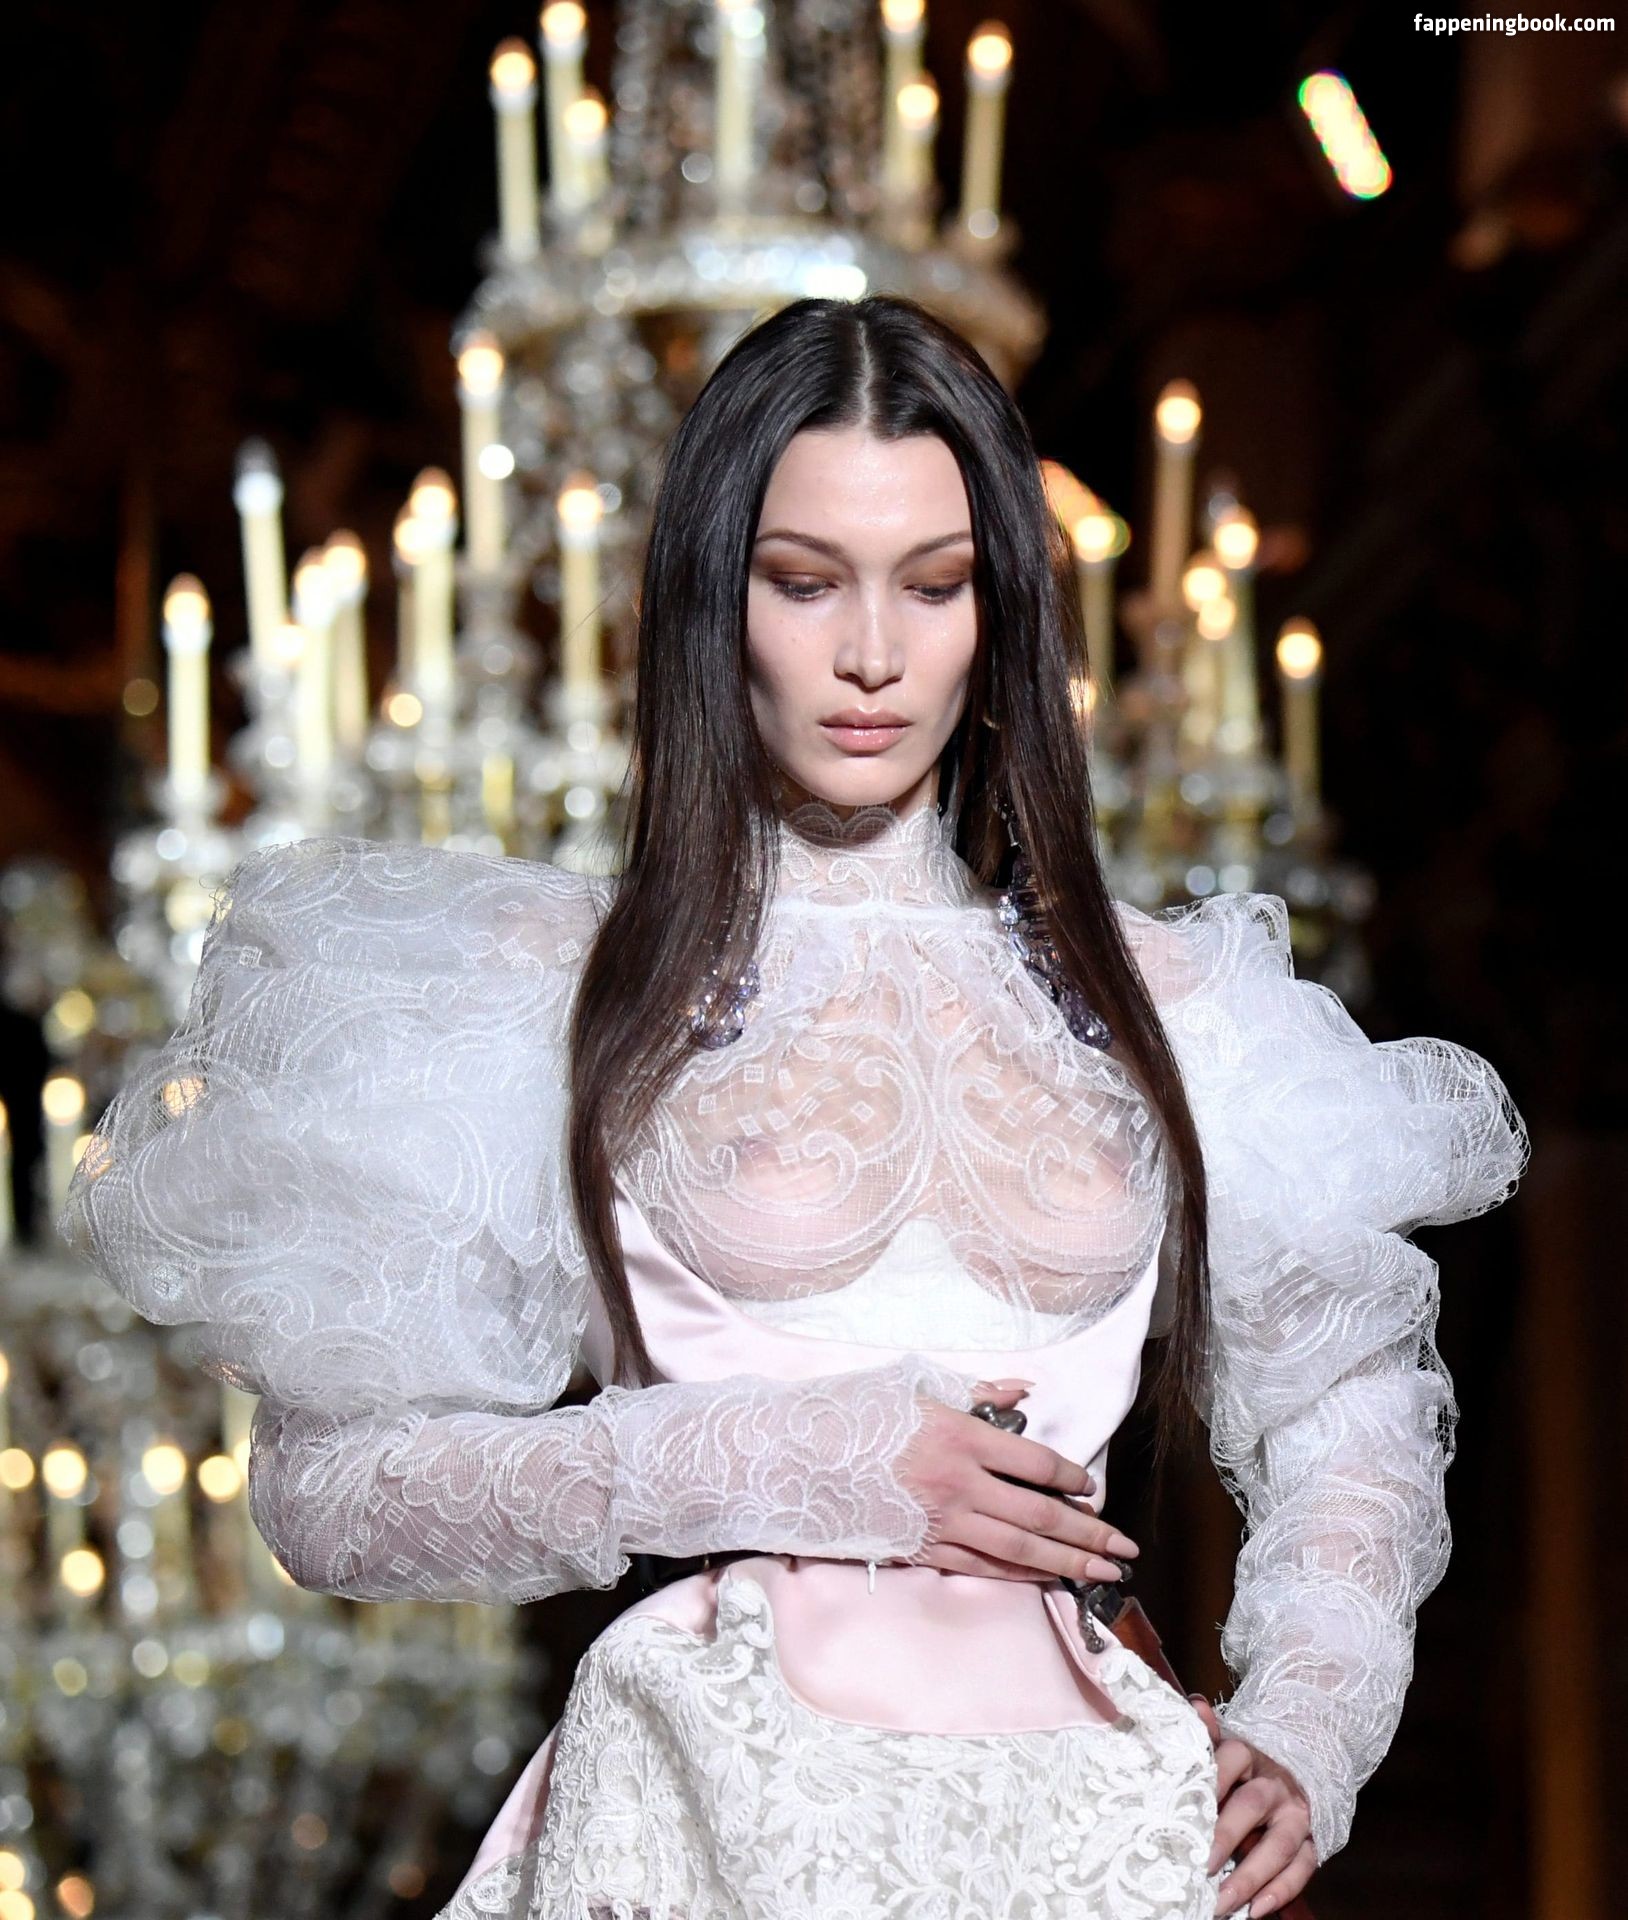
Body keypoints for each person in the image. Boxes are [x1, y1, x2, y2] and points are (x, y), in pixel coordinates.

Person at [59, 294, 1529, 1920]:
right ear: (714, 599)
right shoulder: (557, 990)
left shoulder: (1177, 1002)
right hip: (713, 1801)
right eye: (806, 581)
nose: (873, 655)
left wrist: (1310, 1727)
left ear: (1001, 613)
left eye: (936, 584)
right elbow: (328, 1497)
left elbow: (1350, 1405)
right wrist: (784, 1458)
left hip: (1098, 1825)